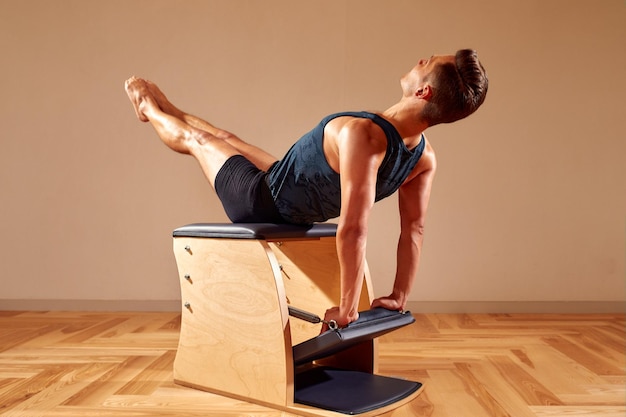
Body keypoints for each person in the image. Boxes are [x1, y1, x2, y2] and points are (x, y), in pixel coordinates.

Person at [125, 49, 488, 331]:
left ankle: (148, 109)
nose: (421, 59)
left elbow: (355, 227)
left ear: (423, 91)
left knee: (198, 139)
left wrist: (347, 308)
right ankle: (169, 107)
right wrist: (399, 295)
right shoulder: (423, 157)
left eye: (428, 62)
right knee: (226, 139)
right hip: (283, 183)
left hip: (259, 201)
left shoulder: (366, 136)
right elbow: (415, 229)